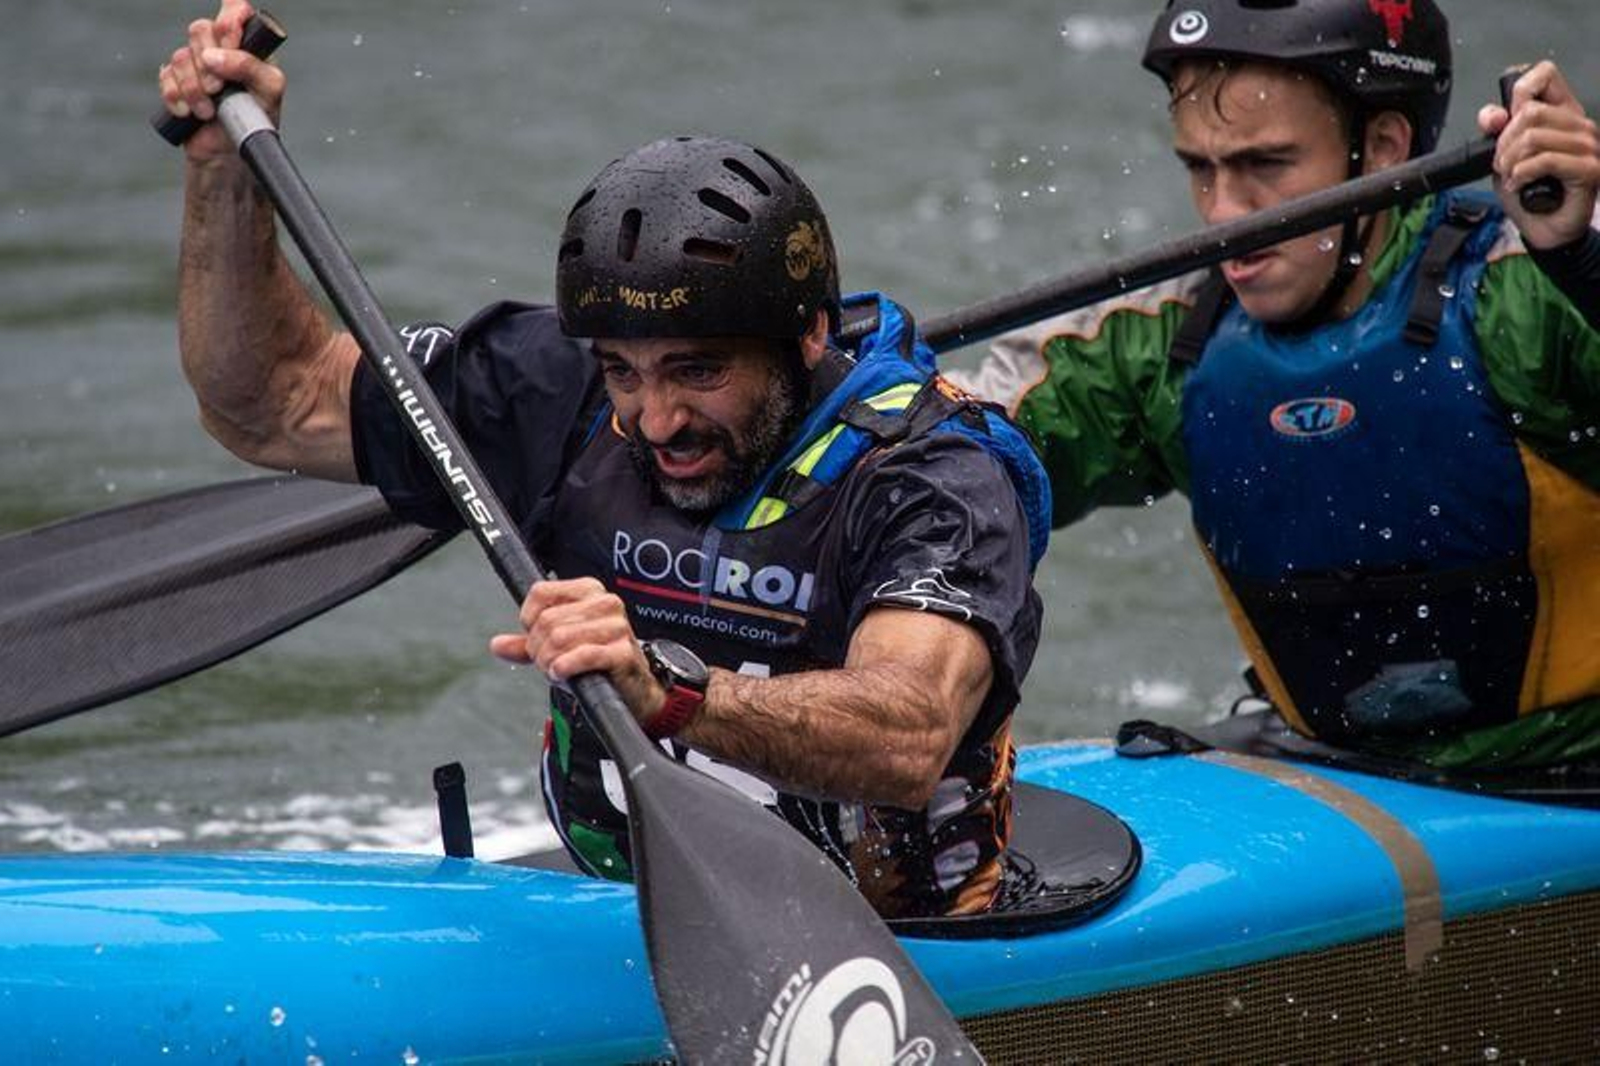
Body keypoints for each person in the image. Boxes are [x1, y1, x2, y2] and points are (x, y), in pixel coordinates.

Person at [158, 1, 1048, 919]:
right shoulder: (557, 392)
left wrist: (668, 693)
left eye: (699, 371)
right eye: (625, 370)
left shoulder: (932, 475)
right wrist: (221, 170)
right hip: (605, 918)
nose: (657, 418)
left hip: (902, 945)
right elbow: (272, 399)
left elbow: (904, 735)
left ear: (809, 333)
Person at [952, 0, 1600, 771]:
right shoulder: (1165, 344)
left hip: (1570, 773)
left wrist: (1583, 262)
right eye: (1200, 168)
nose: (1225, 216)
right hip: (1334, 768)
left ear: (1385, 147)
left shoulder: (1532, 292)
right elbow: (946, 451)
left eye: (1265, 166)